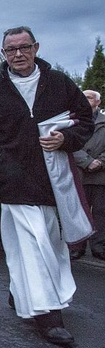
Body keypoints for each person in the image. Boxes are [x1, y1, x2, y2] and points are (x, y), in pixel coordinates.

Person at [0, 26, 93, 347]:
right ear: (3, 53)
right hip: (13, 182)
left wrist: (66, 138)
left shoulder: (59, 82)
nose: (18, 55)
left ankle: (19, 289)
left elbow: (85, 121)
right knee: (33, 245)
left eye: (24, 48)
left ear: (36, 48)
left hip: (53, 183)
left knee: (49, 244)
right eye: (11, 50)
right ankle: (48, 316)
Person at [71, 90, 105, 260]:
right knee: (79, 211)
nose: (85, 100)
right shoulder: (73, 121)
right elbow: (69, 142)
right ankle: (78, 246)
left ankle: (99, 247)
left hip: (100, 175)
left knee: (100, 212)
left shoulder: (104, 121)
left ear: (98, 102)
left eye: (89, 97)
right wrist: (87, 161)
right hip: (79, 173)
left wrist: (100, 162)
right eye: (83, 97)